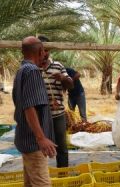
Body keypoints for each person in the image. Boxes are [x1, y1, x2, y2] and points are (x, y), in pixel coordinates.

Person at [12, 36, 57, 187]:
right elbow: (29, 107)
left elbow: (24, 103)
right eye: (44, 51)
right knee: (43, 186)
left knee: (31, 184)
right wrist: (41, 138)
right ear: (40, 52)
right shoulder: (32, 72)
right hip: (32, 140)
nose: (45, 55)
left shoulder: (21, 71)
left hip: (24, 136)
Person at [38, 35, 74, 168]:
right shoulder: (32, 68)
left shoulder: (58, 66)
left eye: (47, 50)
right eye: (42, 50)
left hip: (57, 114)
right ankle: (42, 177)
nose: (45, 53)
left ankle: (63, 175)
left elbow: (71, 85)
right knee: (38, 148)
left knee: (61, 147)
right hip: (39, 116)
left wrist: (63, 79)